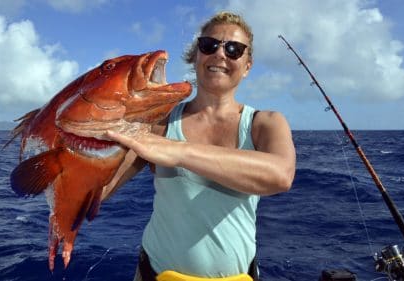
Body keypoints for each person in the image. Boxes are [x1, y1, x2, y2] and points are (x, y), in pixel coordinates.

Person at [103, 11, 296, 281]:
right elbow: (99, 191)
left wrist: (178, 151)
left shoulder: (265, 123)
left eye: (234, 49)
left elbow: (281, 175)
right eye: (209, 45)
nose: (220, 54)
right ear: (196, 56)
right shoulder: (158, 123)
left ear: (248, 65)